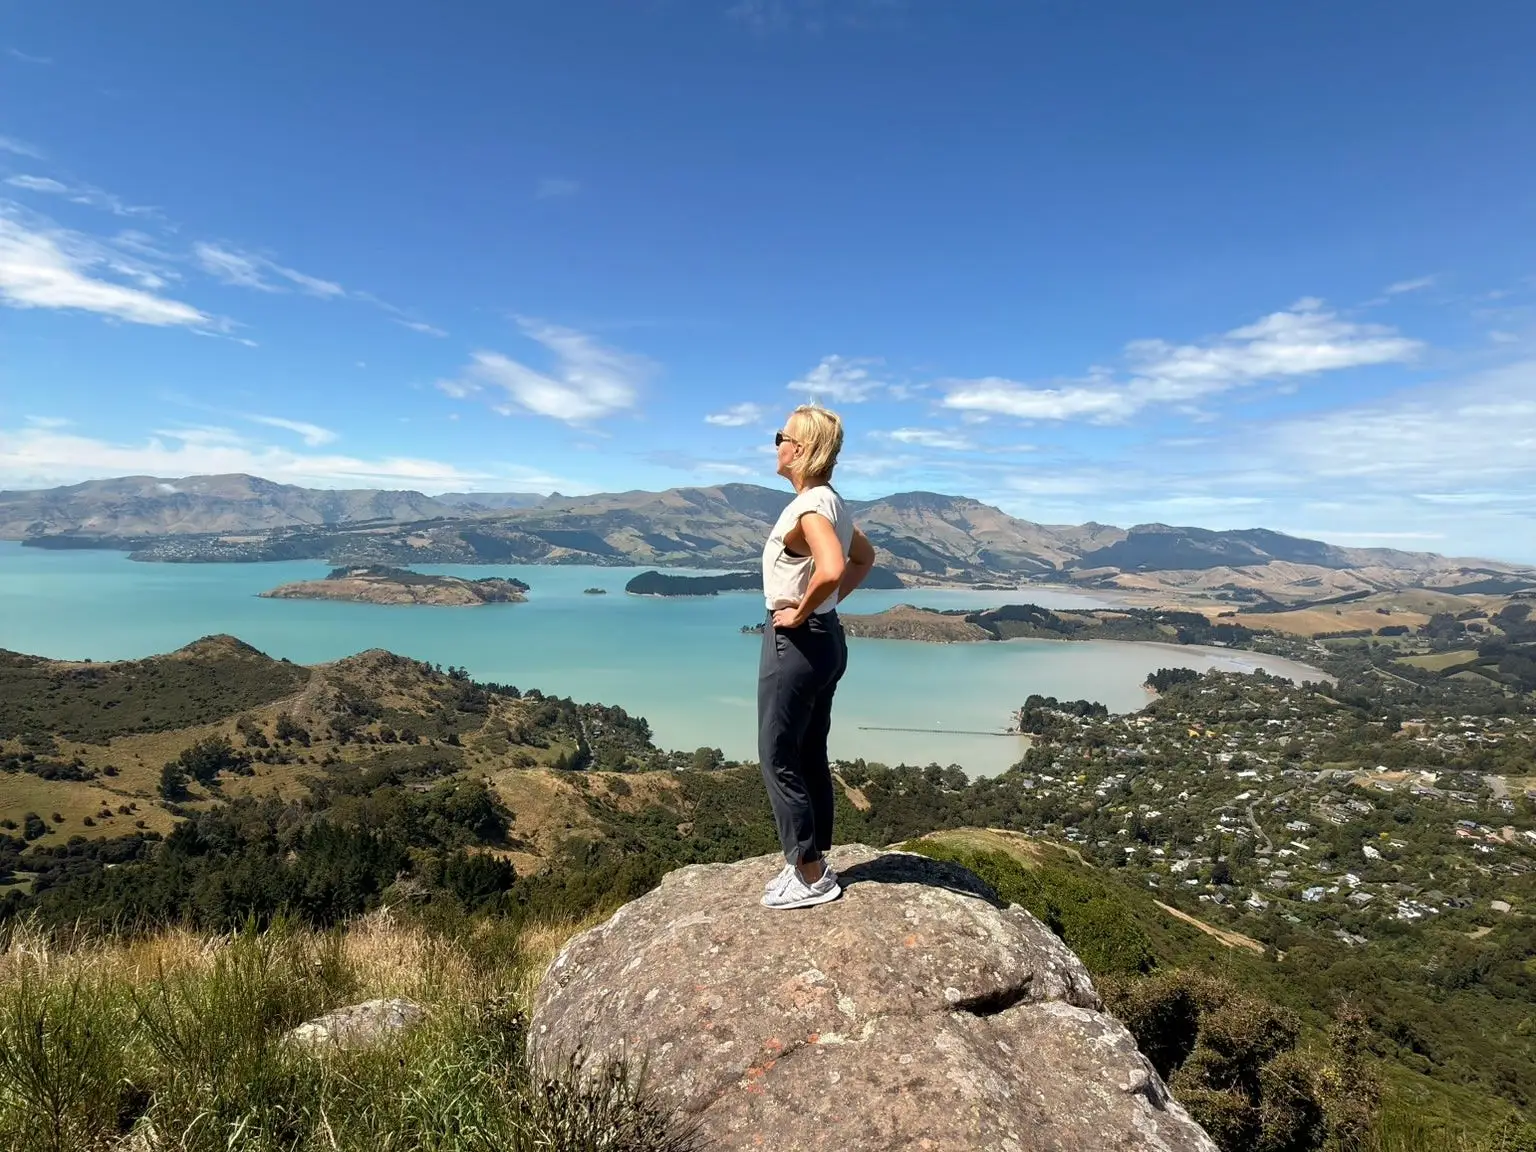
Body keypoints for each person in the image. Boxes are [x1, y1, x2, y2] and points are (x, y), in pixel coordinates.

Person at [757, 404, 877, 910]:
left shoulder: (807, 508)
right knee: (809, 752)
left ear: (800, 449)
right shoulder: (835, 504)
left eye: (780, 435)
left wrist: (802, 612)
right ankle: (814, 860)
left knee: (778, 752)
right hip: (827, 641)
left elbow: (831, 567)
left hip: (798, 643)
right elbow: (863, 559)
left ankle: (808, 875)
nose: (775, 443)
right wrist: (825, 609)